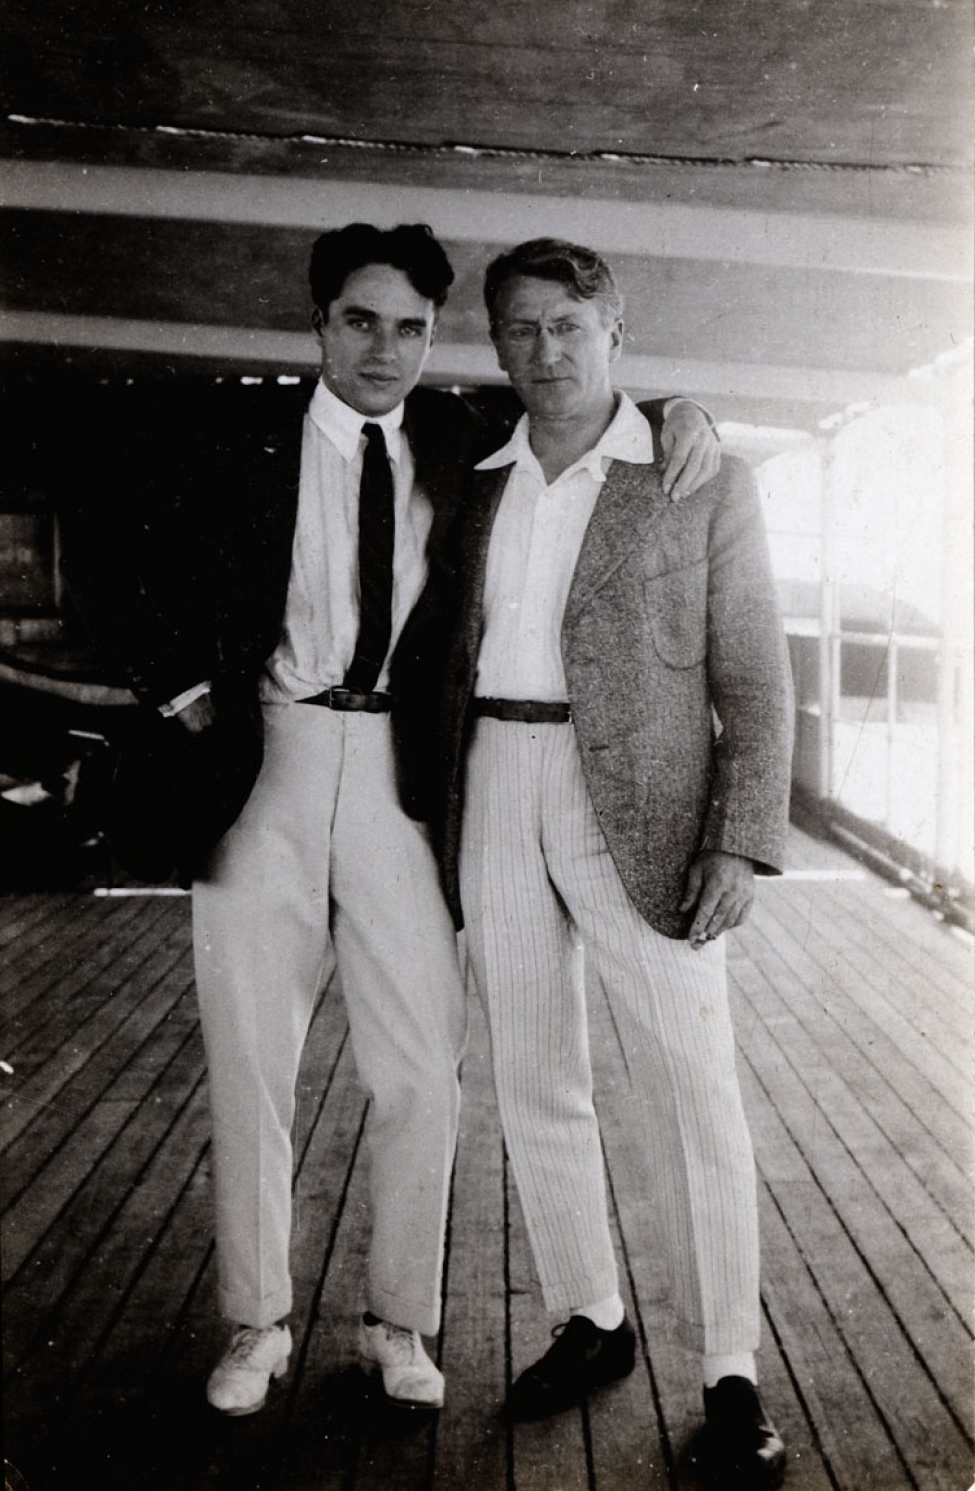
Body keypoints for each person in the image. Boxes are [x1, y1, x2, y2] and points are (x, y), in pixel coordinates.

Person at [56, 222, 720, 1419]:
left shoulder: (464, 441)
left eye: (410, 327)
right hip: (265, 755)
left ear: (432, 338)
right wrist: (181, 688)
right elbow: (102, 535)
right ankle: (255, 1322)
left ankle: (396, 1320)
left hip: (406, 775)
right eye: (360, 321)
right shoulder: (233, 435)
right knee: (252, 1059)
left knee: (423, 1067)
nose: (385, 348)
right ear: (318, 326)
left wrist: (684, 408)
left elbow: (592, 406)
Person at [436, 237, 794, 1486]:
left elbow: (754, 674)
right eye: (521, 330)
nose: (544, 352)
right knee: (533, 1074)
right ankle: (590, 1318)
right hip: (494, 779)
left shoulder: (699, 475)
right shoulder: (472, 472)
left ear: (616, 336)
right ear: (497, 346)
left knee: (693, 1091)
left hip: (647, 810)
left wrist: (742, 837)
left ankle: (731, 1371)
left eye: (568, 329)